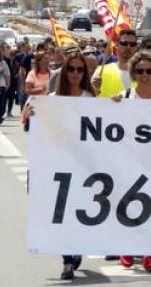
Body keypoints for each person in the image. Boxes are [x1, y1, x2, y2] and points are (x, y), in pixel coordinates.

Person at [22, 47, 92, 280]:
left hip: (82, 165)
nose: (75, 73)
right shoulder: (49, 101)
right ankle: (67, 260)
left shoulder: (91, 100)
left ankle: (76, 247)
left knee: (76, 211)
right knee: (59, 211)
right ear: (63, 72)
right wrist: (32, 115)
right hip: (56, 164)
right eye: (70, 69)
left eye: (79, 69)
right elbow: (36, 130)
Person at [110, 52, 151, 272]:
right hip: (128, 159)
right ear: (134, 72)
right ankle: (127, 247)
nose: (144, 75)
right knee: (127, 205)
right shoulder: (124, 96)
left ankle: (149, 251)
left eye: (149, 71)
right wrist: (110, 105)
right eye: (140, 71)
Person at [91, 30, 140, 98]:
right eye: (124, 43)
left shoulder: (145, 73)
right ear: (117, 45)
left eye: (132, 44)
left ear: (136, 47)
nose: (128, 47)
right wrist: (95, 90)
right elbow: (89, 100)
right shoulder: (101, 72)